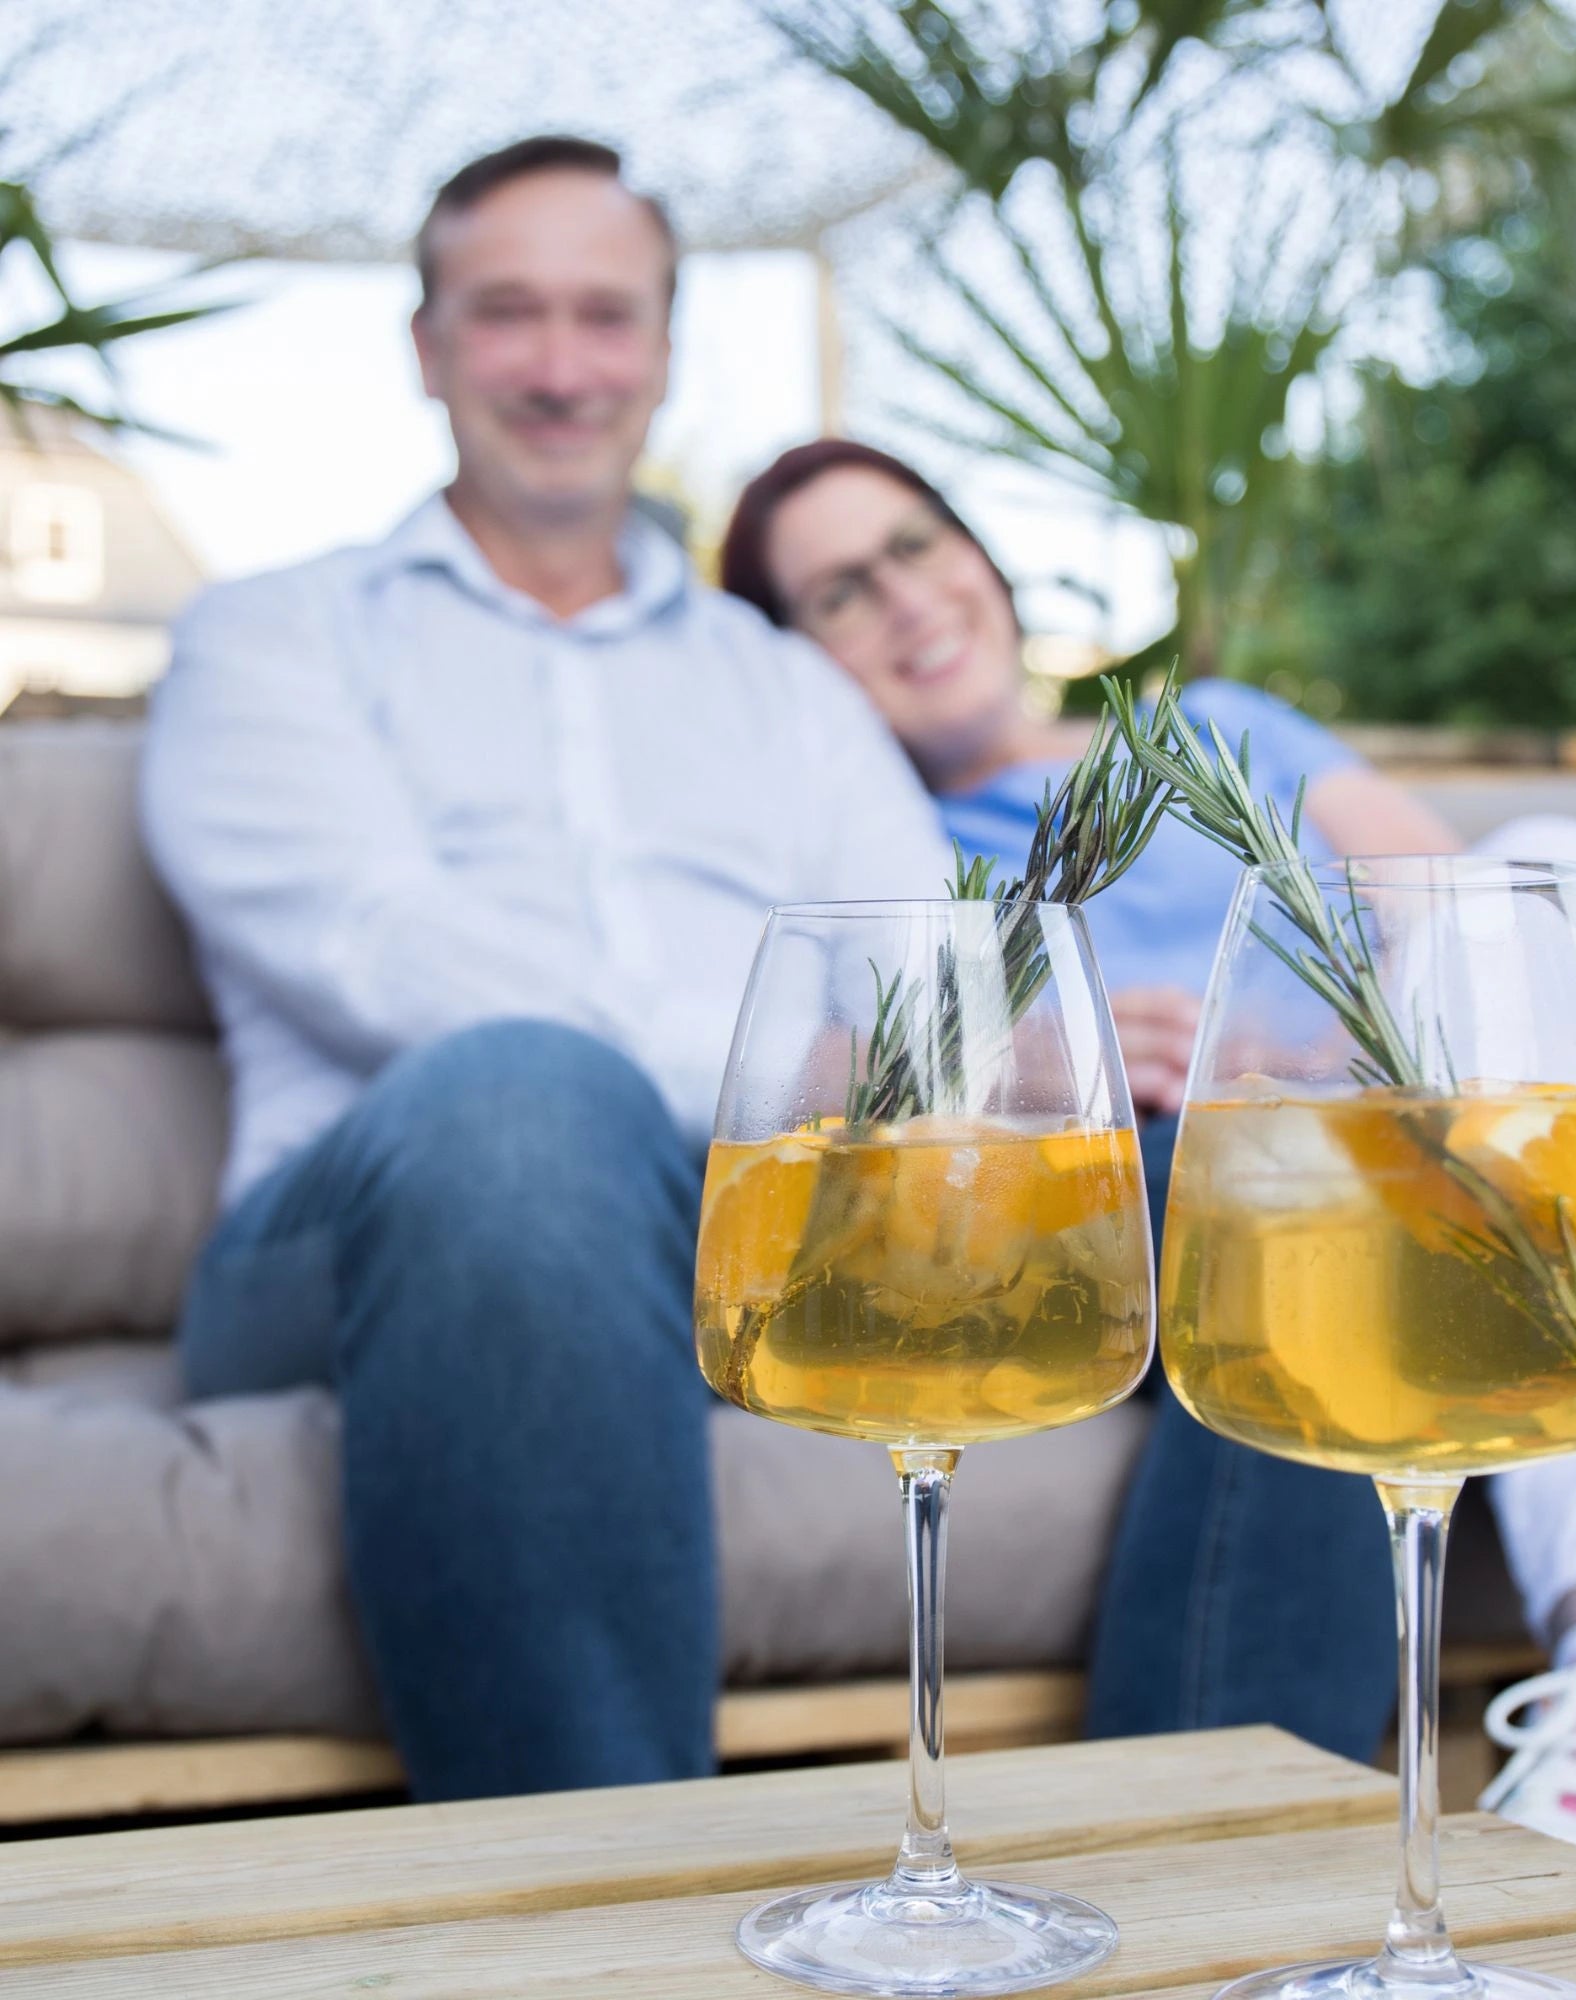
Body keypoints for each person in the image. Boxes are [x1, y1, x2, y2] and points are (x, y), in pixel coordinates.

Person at [140, 136, 1395, 1804]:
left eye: (608, 316)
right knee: (532, 1100)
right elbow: (377, 949)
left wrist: (1020, 1060)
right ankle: (617, 1924)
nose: (562, 365)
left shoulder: (783, 685)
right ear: (426, 347)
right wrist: (781, 1079)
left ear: (664, 351)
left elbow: (928, 976)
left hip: (797, 1211)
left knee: (1277, 1192)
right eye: (509, 314)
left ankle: (1210, 1856)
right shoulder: (272, 636)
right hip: (386, 1229)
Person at [719, 436, 1576, 1980]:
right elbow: (807, 1069)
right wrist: (1038, 1043)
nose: (906, 599)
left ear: (984, 558)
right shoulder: (905, 858)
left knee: (1573, 870)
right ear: (796, 665)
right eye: (840, 594)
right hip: (1214, 1211)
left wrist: (1301, 1062)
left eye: (918, 545)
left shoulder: (1226, 731)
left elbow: (1480, 940)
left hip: (1433, 1142)